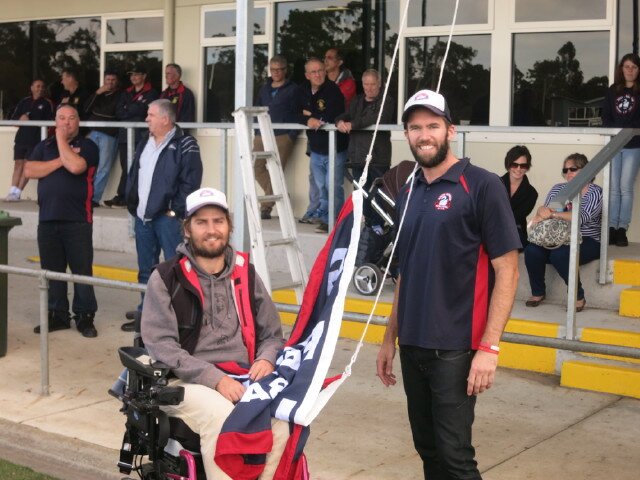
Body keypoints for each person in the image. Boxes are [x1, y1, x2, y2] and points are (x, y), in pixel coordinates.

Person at [376, 89, 520, 479]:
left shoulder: (483, 185)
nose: (424, 135)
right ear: (406, 134)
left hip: (456, 347)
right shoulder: (407, 190)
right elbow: (405, 271)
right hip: (413, 343)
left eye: (433, 126)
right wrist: (390, 338)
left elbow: (508, 270)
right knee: (428, 450)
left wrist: (489, 348)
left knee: (455, 456)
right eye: (415, 127)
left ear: (451, 130)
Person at [141, 186, 289, 480]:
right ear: (187, 229)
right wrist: (215, 378)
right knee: (222, 416)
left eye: (218, 221)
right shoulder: (166, 277)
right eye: (201, 222)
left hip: (242, 375)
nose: (211, 230)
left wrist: (267, 359)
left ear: (229, 226)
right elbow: (161, 345)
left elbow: (272, 334)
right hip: (185, 379)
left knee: (282, 422)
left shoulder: (246, 273)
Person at [121, 99, 202, 331]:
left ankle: (175, 320)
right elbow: (135, 175)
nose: (146, 119)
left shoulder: (186, 144)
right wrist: (132, 203)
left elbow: (191, 182)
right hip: (143, 218)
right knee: (146, 270)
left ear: (165, 119)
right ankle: (145, 315)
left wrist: (173, 211)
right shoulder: (144, 142)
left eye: (151, 115)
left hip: (167, 219)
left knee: (174, 270)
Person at [24, 105, 100, 338]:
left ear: (78, 122)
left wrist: (60, 141)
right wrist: (60, 160)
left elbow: (76, 166)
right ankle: (57, 315)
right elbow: (29, 170)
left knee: (81, 271)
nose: (66, 123)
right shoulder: (43, 146)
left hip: (77, 220)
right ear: (54, 121)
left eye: (71, 118)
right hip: (47, 219)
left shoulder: (88, 146)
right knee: (52, 271)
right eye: (61, 119)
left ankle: (85, 317)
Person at [524, 153, 603, 312]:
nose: (568, 173)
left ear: (586, 170)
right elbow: (546, 213)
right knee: (531, 250)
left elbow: (580, 217)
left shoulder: (595, 192)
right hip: (558, 236)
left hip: (588, 239)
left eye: (573, 169)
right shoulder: (559, 189)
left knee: (560, 254)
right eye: (565, 170)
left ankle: (577, 296)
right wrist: (542, 210)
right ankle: (538, 292)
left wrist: (553, 213)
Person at [336, 69, 395, 225]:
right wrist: (339, 122)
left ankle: (379, 228)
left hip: (377, 158)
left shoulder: (386, 101)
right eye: (366, 84)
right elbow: (346, 115)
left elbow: (375, 119)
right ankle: (368, 227)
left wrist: (352, 124)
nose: (369, 88)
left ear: (380, 84)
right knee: (361, 195)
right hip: (357, 158)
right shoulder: (357, 100)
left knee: (378, 195)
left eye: (372, 84)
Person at [298, 57, 348, 233]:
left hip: (335, 148)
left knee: (333, 186)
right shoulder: (302, 90)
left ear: (325, 72)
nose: (318, 74)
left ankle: (337, 221)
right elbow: (293, 111)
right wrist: (307, 118)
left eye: (320, 70)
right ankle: (327, 220)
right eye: (313, 72)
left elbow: (333, 114)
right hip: (316, 149)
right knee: (321, 187)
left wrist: (312, 115)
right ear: (307, 75)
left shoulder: (332, 90)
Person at [253, 55, 304, 220]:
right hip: (262, 134)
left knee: (276, 172)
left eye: (279, 69)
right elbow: (257, 109)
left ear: (285, 70)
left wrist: (291, 135)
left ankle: (266, 207)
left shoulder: (294, 89)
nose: (275, 72)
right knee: (256, 167)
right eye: (273, 69)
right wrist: (256, 131)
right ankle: (280, 194)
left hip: (283, 136)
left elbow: (299, 113)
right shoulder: (264, 88)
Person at [105, 64, 159, 208]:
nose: (133, 77)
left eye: (136, 74)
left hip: (140, 136)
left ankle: (126, 197)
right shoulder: (126, 92)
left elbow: (144, 111)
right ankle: (123, 196)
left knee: (137, 167)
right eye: (131, 75)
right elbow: (119, 112)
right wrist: (133, 109)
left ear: (144, 76)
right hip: (125, 135)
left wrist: (129, 109)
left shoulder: (151, 93)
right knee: (126, 166)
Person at [602, 52, 640, 247]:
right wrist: (614, 133)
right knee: (613, 188)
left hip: (633, 146)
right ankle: (610, 228)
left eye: (634, 67)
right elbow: (606, 116)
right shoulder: (613, 91)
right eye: (627, 66)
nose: (630, 70)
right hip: (614, 145)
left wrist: (628, 131)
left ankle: (621, 229)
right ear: (621, 69)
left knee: (625, 187)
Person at [6, 79, 54, 201]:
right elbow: (14, 119)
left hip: (35, 140)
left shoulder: (47, 103)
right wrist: (21, 118)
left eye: (42, 86)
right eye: (37, 86)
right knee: (18, 164)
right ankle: (12, 191)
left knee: (27, 165)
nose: (40, 89)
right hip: (21, 138)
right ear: (31, 88)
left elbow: (50, 123)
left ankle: (17, 193)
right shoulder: (24, 102)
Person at [84, 69, 121, 206]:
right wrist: (97, 93)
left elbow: (114, 113)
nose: (110, 83)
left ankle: (93, 199)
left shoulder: (120, 95)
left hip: (109, 134)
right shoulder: (98, 94)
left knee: (103, 168)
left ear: (117, 82)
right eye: (108, 80)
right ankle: (84, 196)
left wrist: (97, 114)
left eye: (113, 80)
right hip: (93, 133)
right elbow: (86, 108)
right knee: (86, 166)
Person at [500, 145, 538, 249]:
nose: (518, 169)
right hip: (491, 229)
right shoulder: (494, 184)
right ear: (508, 165)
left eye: (523, 166)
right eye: (514, 165)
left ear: (528, 167)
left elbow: (516, 217)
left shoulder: (532, 193)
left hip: (515, 233)